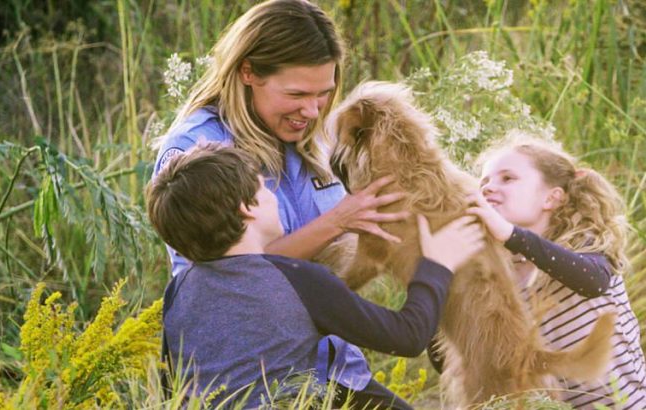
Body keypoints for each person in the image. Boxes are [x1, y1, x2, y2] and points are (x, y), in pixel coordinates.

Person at [151, 0, 411, 404]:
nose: (311, 111)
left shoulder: (311, 132)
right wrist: (339, 222)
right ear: (248, 72)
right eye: (297, 94)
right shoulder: (196, 152)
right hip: (254, 383)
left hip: (332, 364)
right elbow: (224, 279)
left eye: (324, 94)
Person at [146, 145, 486, 408]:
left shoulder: (179, 291)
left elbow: (173, 387)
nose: (271, 196)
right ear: (246, 207)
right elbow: (408, 336)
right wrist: (437, 265)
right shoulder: (295, 279)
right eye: (264, 188)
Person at [466, 134, 646, 409]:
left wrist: (509, 234)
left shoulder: (587, 245)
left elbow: (592, 281)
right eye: (484, 182)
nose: (488, 188)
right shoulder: (501, 273)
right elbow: (449, 357)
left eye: (507, 178)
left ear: (552, 198)